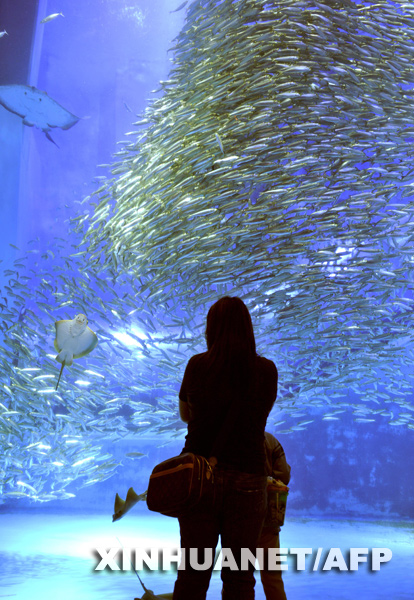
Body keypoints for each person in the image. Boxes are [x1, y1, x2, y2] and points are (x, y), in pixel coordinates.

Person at [173, 296, 278, 600]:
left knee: (192, 575)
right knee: (240, 578)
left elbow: (185, 415)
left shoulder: (197, 365)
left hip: (199, 481)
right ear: (248, 328)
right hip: (248, 480)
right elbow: (260, 416)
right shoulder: (267, 371)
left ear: (211, 329)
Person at [259, 432, 291, 600]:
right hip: (269, 517)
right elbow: (284, 475)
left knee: (237, 576)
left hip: (237, 520)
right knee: (272, 578)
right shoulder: (269, 440)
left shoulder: (231, 437)